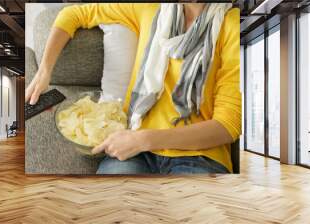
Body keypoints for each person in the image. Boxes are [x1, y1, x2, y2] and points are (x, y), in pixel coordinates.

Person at [25, 3, 241, 174]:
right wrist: (44, 71)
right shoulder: (148, 9)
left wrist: (143, 140)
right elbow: (73, 14)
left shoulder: (231, 23)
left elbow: (227, 125)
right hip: (133, 153)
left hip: (199, 156)